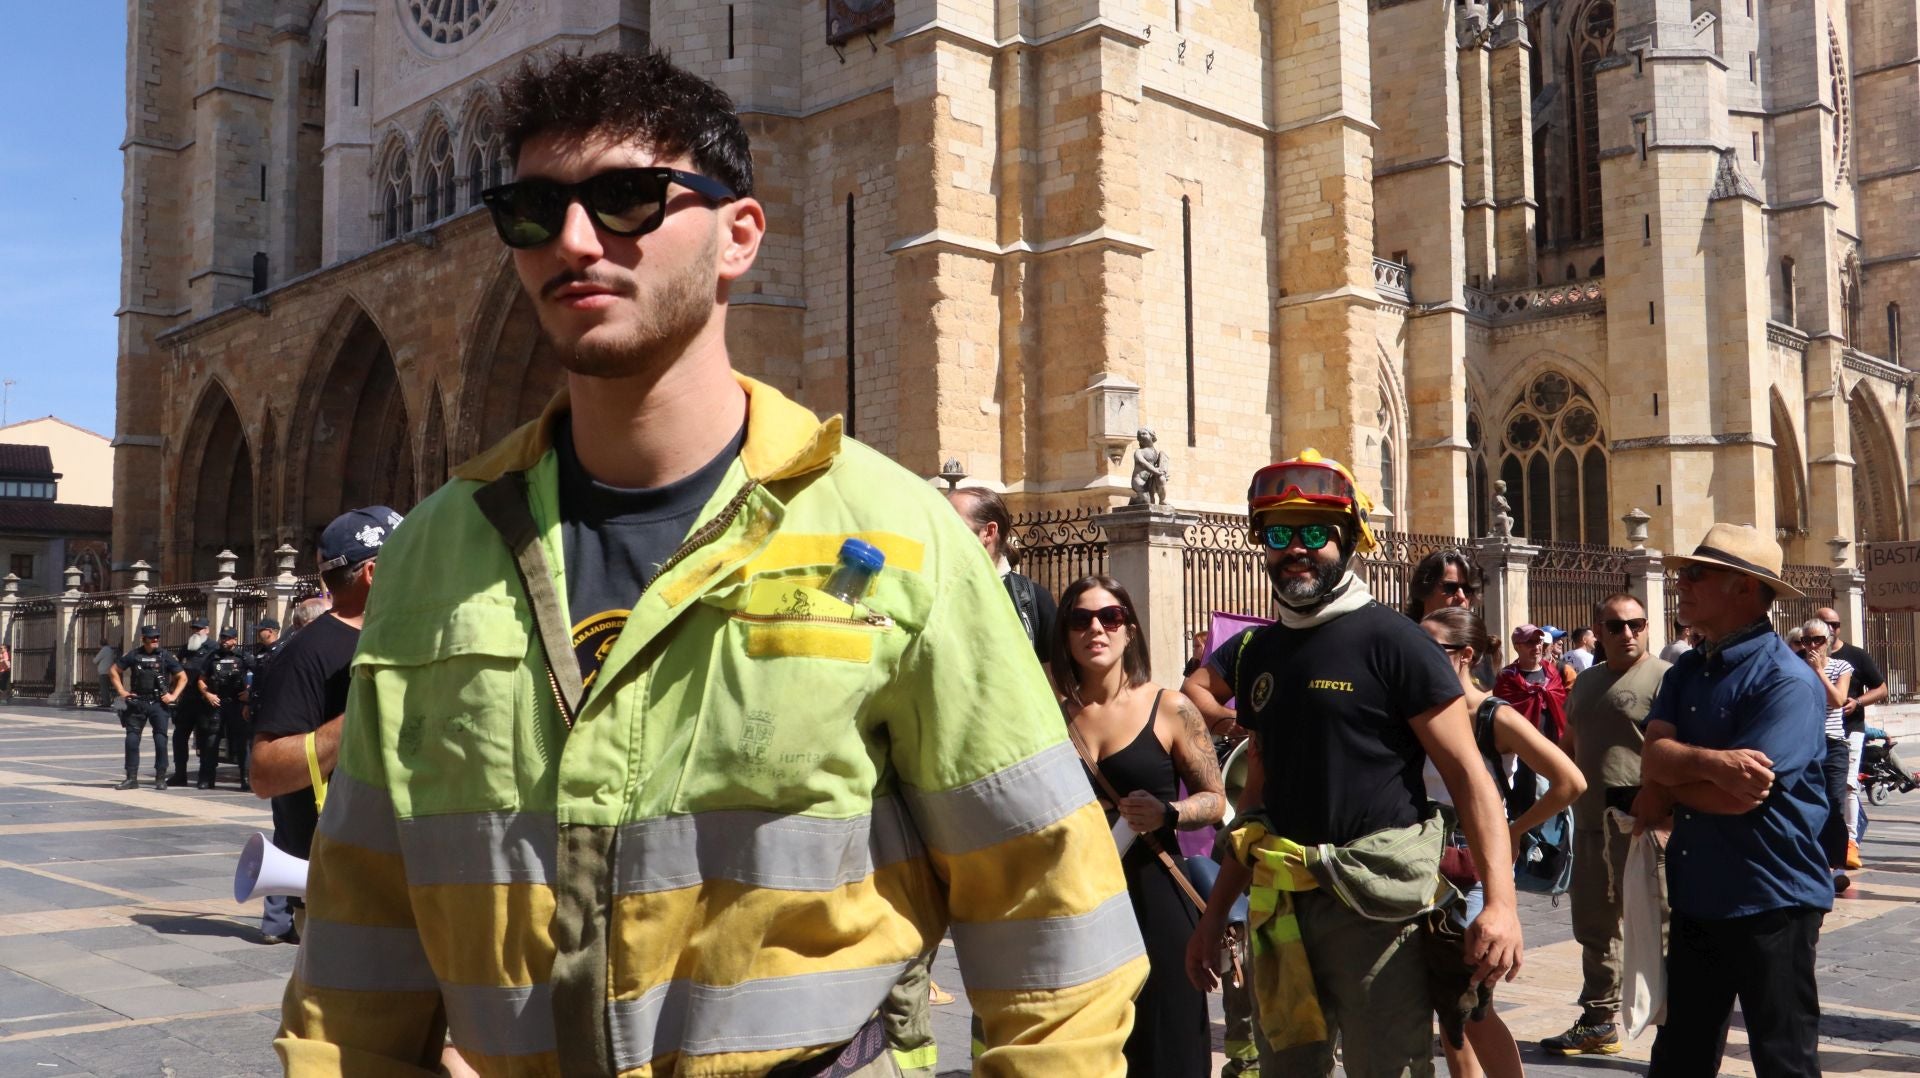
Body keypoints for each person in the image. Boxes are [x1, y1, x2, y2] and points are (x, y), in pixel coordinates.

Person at [276, 51, 1144, 1077]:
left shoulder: (900, 536)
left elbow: (1049, 908)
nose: (573, 240)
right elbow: (360, 931)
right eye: (533, 209)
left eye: (628, 199)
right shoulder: (435, 547)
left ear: (739, 236)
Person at [1184, 448, 1522, 1078]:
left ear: (1349, 540)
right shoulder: (1260, 651)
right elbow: (1257, 800)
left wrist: (1501, 903)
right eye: (1279, 535)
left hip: (1378, 909)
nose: (1296, 549)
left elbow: (1471, 779)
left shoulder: (1396, 643)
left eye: (1315, 534)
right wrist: (1215, 915)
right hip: (1282, 909)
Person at [1632, 523, 1831, 1077]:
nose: (1681, 583)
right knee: (1679, 1060)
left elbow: (1743, 797)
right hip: (1699, 893)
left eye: (1697, 573)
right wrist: (1712, 765)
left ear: (1744, 587)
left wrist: (1670, 783)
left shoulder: (1787, 680)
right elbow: (1652, 758)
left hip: (1772, 898)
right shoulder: (1687, 669)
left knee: (1784, 1061)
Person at [1056, 575, 1223, 1076]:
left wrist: (1168, 812)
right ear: (1066, 635)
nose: (1096, 629)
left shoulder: (1170, 706)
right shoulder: (1050, 718)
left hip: (1156, 895)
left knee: (1168, 1044)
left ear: (1130, 629)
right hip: (1080, 901)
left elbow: (1215, 800)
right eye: (1080, 619)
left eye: (1110, 617)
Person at [1422, 606, 1585, 1078]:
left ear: (1465, 655)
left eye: (1429, 650)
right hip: (1421, 853)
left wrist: (1514, 830)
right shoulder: (1418, 711)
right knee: (1444, 998)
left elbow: (1569, 781)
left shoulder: (1492, 714)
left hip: (1471, 860)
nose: (1413, 658)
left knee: (1473, 999)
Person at [250, 506, 399, 951]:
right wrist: (367, 710)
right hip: (342, 889)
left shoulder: (398, 637)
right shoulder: (308, 652)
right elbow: (265, 772)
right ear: (373, 572)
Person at [1541, 593, 1670, 1057]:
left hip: (1645, 826)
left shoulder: (1666, 679)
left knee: (1658, 927)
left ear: (1648, 627)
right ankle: (1599, 1021)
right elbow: (1570, 743)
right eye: (1615, 626)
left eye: (1636, 624)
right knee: (1595, 926)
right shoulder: (1587, 682)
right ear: (1599, 632)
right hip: (1590, 822)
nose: (1627, 634)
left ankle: (1675, 1031)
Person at [945, 485, 1057, 672]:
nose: (942, 534)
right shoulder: (933, 592)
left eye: (952, 525)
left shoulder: (1034, 600)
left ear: (989, 532)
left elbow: (1052, 682)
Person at [1790, 621, 1854, 891]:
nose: (1812, 646)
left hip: (1833, 743)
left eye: (1817, 640)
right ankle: (1812, 862)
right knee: (1804, 802)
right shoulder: (1794, 665)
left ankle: (1836, 865)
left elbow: (1838, 700)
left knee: (1834, 802)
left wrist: (1818, 670)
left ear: (1827, 641)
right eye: (1806, 641)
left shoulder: (1841, 667)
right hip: (1804, 741)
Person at [1820, 606, 1884, 873]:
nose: (1830, 629)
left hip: (1851, 730)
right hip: (1817, 732)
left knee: (1848, 786)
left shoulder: (1855, 656)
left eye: (1835, 624)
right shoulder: (1805, 656)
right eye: (1825, 624)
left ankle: (1851, 843)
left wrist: (1857, 702)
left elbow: (1881, 688)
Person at [107, 626, 186, 791]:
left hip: (158, 703)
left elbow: (182, 677)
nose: (155, 640)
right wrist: (122, 692)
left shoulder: (165, 656)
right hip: (138, 702)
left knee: (160, 740)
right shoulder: (134, 655)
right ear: (143, 639)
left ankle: (160, 778)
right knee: (132, 739)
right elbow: (113, 670)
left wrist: (173, 696)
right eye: (151, 637)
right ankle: (131, 778)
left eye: (157, 637)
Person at [194, 627, 254, 790]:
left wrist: (249, 692)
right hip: (217, 703)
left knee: (242, 742)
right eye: (223, 638)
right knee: (211, 740)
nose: (224, 641)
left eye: (228, 638)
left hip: (237, 704)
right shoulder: (213, 656)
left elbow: (258, 674)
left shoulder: (243, 656)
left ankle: (246, 779)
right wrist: (207, 694)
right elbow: (201, 679)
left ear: (235, 639)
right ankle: (207, 778)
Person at [1494, 623, 1567, 741]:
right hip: (1521, 745)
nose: (1537, 647)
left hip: (1554, 744)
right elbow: (1502, 717)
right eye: (1530, 642)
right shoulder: (1507, 678)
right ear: (1517, 647)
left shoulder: (1552, 673)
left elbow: (1563, 711)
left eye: (1538, 641)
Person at [169, 616, 216, 787]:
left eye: (200, 628)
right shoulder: (186, 648)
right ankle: (180, 775)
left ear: (207, 630)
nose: (196, 631)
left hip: (204, 701)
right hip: (187, 700)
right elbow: (177, 671)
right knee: (179, 738)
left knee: (204, 739)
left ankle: (205, 777)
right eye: (194, 628)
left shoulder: (214, 649)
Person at [93, 638, 118, 709]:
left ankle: (106, 703)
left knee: (104, 688)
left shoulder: (103, 650)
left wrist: (95, 658)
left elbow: (95, 660)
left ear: (101, 644)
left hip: (103, 672)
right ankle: (108, 701)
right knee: (107, 688)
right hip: (110, 672)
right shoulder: (110, 650)